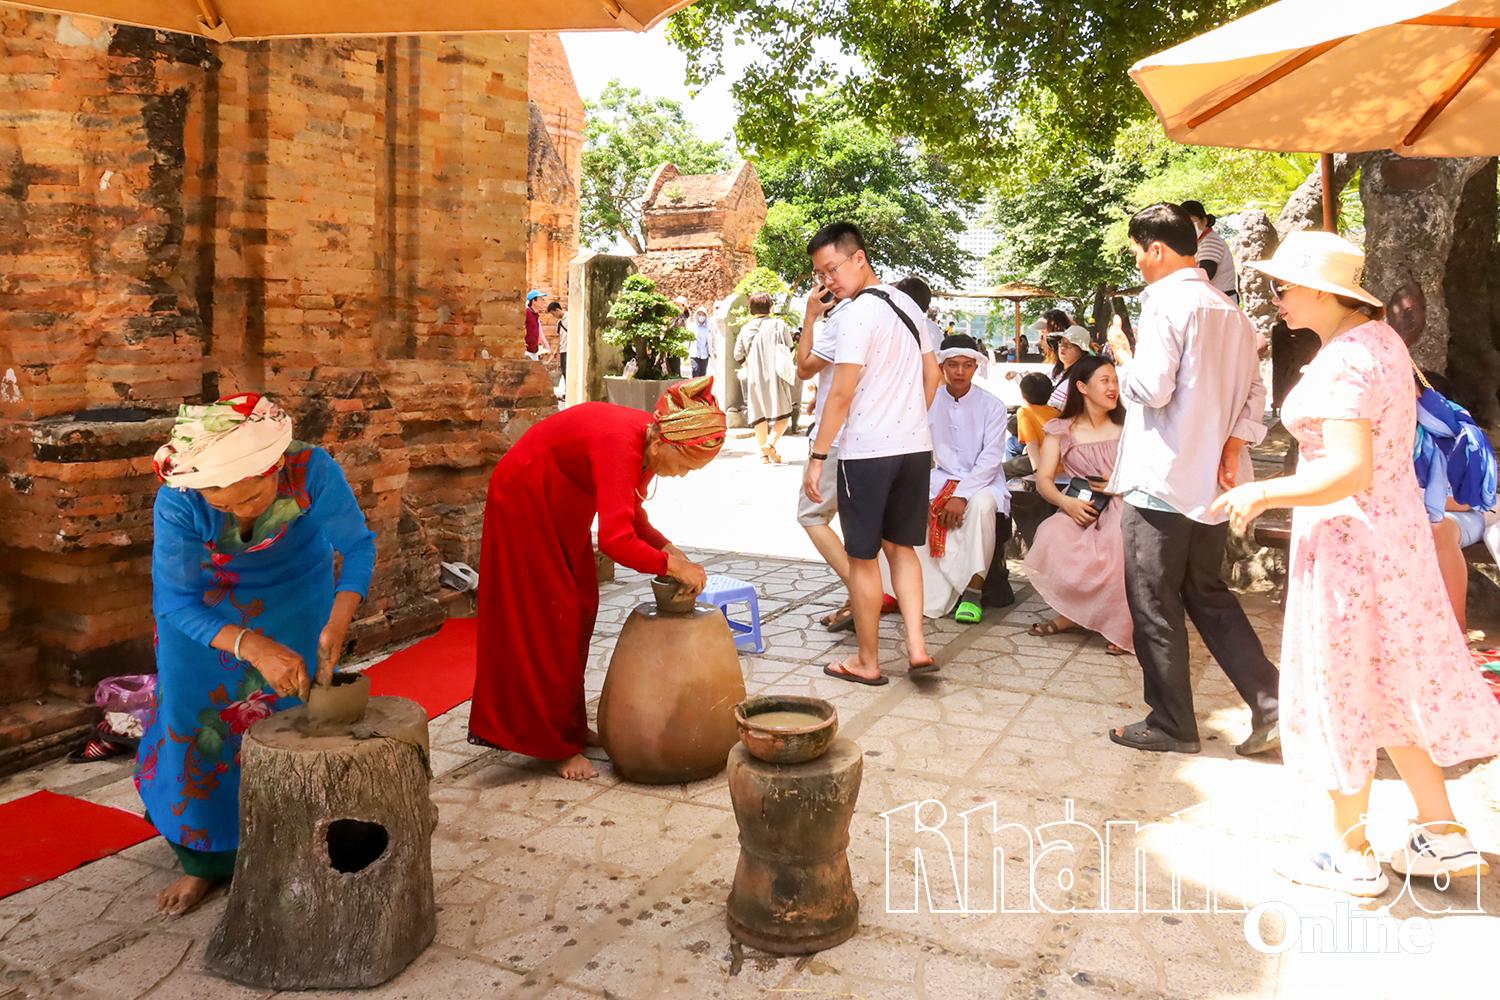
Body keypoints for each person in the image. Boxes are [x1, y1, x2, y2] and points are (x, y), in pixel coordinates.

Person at [1215, 232, 1500, 892]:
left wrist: (1261, 490)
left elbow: (1348, 470)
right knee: (1390, 680)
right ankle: (1441, 832)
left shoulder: (1345, 361)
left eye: (1285, 286)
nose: (1276, 296)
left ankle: (1348, 851)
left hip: (1351, 545)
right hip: (1390, 538)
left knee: (1342, 684)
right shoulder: (1382, 345)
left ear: (1321, 289)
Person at [141, 393, 377, 915]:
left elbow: (357, 546)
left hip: (296, 597)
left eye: (249, 499)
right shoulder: (180, 499)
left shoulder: (312, 469)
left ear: (273, 466)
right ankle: (203, 861)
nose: (239, 512)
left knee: (289, 717)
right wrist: (249, 645)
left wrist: (339, 617)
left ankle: (296, 837)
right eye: (223, 506)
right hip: (203, 620)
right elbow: (175, 599)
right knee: (197, 726)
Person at [469, 378, 724, 781]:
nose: (683, 475)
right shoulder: (621, 443)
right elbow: (615, 540)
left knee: (581, 605)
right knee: (551, 618)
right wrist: (671, 567)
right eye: (686, 465)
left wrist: (668, 547)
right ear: (663, 444)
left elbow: (631, 517)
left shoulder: (647, 442)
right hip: (525, 500)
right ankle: (552, 745)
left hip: (562, 502)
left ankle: (566, 726)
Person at [1105, 202, 1279, 757]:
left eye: (1137, 252)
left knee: (1153, 599)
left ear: (1156, 249)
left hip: (1163, 477)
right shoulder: (1229, 311)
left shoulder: (1166, 304)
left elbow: (1152, 389)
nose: (1137, 264)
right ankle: (1272, 703)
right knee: (1208, 593)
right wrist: (1231, 445)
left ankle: (1172, 722)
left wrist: (1121, 357)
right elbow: (1256, 398)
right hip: (1213, 481)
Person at [802, 221, 940, 685]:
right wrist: (908, 419)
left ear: (858, 257)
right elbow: (933, 378)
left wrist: (818, 457)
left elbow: (840, 392)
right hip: (914, 450)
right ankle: (918, 649)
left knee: (863, 558)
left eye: (832, 269)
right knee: (902, 549)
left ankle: (867, 661)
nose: (828, 282)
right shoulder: (908, 305)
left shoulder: (858, 313)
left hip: (867, 452)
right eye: (821, 275)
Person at [1024, 356, 1133, 655]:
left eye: (1115, 380)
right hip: (1080, 506)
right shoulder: (1060, 429)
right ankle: (1074, 614)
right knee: (1053, 531)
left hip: (1126, 503)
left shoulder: (1130, 426)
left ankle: (1123, 626)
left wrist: (1118, 481)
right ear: (1082, 387)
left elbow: (1154, 471)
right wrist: (1066, 504)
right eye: (1105, 380)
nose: (1113, 387)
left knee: (1116, 543)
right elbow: (1044, 478)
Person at [917, 333, 1012, 622]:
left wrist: (961, 495)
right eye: (953, 365)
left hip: (985, 481)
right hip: (941, 476)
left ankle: (973, 591)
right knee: (908, 504)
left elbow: (991, 459)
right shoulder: (928, 401)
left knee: (981, 506)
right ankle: (921, 590)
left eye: (967, 365)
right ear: (942, 366)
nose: (960, 372)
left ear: (976, 366)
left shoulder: (992, 406)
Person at [734, 292, 796, 464]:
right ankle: (770, 443)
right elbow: (790, 348)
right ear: (770, 307)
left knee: (759, 415)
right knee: (784, 414)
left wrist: (749, 364)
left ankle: (763, 456)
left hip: (754, 377)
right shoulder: (779, 324)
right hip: (776, 375)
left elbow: (737, 355)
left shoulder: (745, 328)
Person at [1181, 200, 1238, 302]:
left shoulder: (1210, 241)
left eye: (1192, 223)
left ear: (1204, 221)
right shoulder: (1200, 241)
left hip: (1220, 300)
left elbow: (1207, 273)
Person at [1047, 325, 1094, 409]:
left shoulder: (1079, 379)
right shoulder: (1058, 372)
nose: (1062, 347)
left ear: (1082, 351)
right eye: (1061, 342)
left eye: (1069, 344)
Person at [524, 290, 551, 361]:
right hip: (526, 351)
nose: (543, 302)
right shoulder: (527, 313)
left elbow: (539, 333)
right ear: (534, 301)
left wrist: (546, 346)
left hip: (534, 351)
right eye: (541, 299)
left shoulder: (535, 315)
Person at [548, 300, 568, 392]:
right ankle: (567, 391)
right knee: (564, 372)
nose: (553, 316)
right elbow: (559, 337)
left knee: (568, 372)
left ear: (557, 310)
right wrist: (556, 351)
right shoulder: (559, 323)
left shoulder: (570, 318)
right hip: (563, 350)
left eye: (553, 314)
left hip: (570, 349)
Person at [689, 306, 713, 378]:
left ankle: (701, 389)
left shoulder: (708, 328)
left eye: (703, 315)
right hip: (694, 353)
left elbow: (710, 341)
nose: (701, 317)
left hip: (704, 353)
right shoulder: (692, 326)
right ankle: (694, 388)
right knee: (695, 369)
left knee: (703, 373)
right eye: (700, 314)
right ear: (696, 315)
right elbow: (688, 340)